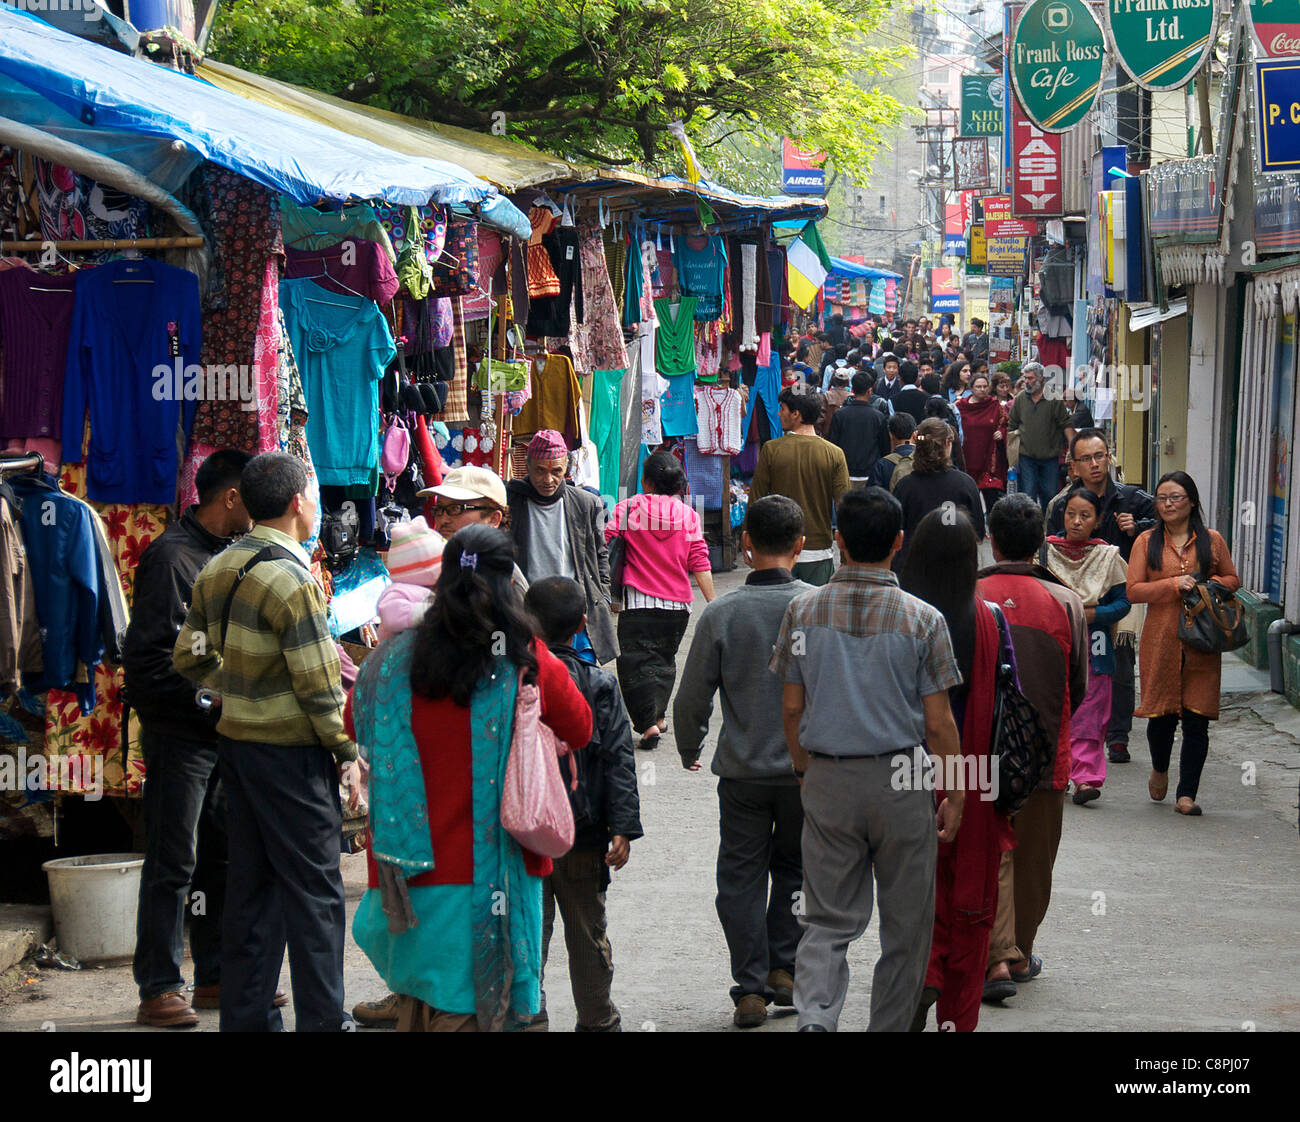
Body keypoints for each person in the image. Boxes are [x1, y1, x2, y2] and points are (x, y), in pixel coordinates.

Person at [348, 526, 592, 1032]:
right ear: (508, 583)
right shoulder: (524, 660)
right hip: (493, 878)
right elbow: (580, 728)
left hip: (406, 876)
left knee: (423, 1004)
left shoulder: (390, 660)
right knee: (481, 1014)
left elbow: (355, 721)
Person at [174, 452, 359, 1032]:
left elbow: (188, 655)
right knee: (315, 899)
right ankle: (323, 1023)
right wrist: (349, 754)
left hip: (239, 753)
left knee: (250, 895)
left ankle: (247, 1022)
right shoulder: (293, 579)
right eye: (313, 491)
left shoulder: (219, 565)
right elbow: (319, 685)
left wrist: (231, 689)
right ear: (298, 503)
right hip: (292, 759)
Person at [771, 487, 965, 1032]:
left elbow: (791, 708)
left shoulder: (802, 610)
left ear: (837, 541)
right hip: (903, 779)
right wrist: (956, 793)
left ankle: (815, 1019)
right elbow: (939, 723)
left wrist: (807, 769)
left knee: (826, 920)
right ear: (899, 543)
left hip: (829, 774)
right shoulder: (924, 620)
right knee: (906, 927)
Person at [126, 449, 257, 1028]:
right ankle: (158, 985)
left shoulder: (229, 556)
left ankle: (214, 976)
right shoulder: (171, 559)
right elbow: (150, 664)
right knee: (173, 861)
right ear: (231, 497)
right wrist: (212, 700)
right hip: (182, 738)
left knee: (221, 858)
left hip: (224, 735)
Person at [674, 495, 811, 1029]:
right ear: (801, 547)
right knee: (797, 872)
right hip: (805, 773)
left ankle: (749, 987)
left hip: (742, 773)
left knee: (740, 877)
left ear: (746, 544)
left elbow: (691, 698)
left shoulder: (722, 614)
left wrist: (690, 745)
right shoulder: (817, 607)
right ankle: (786, 969)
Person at [901, 508, 1014, 1032]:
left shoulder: (904, 621)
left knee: (914, 892)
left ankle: (923, 968)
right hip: (977, 777)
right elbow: (1013, 697)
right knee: (972, 902)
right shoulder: (991, 619)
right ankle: (957, 1015)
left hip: (909, 772)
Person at [976, 495, 1087, 1002]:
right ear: (1041, 540)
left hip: (974, 753)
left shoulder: (967, 595)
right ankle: (1018, 950)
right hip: (1045, 752)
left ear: (990, 538)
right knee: (1034, 858)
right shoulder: (1066, 601)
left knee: (981, 850)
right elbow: (1077, 684)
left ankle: (990, 954)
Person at [524, 577, 642, 1032]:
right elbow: (618, 759)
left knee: (528, 936)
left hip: (524, 833)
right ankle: (598, 1020)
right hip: (582, 831)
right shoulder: (598, 684)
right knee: (588, 932)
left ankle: (529, 1019)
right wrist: (622, 826)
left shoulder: (512, 678)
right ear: (581, 624)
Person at [1127, 472, 1240, 816]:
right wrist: (1173, 584)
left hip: (1202, 641)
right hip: (1161, 641)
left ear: (1191, 501)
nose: (1168, 504)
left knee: (1197, 720)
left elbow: (1234, 579)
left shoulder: (1213, 541)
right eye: (1161, 498)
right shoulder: (1147, 542)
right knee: (1160, 718)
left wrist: (1209, 584)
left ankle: (1186, 794)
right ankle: (1160, 767)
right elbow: (1133, 590)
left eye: (1175, 497)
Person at [1045, 429, 1156, 764]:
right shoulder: (1061, 504)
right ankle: (1076, 732)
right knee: (1075, 667)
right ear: (1074, 466)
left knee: (1120, 662)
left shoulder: (1133, 499)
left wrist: (1138, 526)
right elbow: (1052, 547)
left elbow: (1168, 526)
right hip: (1074, 599)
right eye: (1086, 459)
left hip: (1120, 595)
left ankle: (1118, 736)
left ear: (1109, 457)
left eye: (1100, 455)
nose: (1095, 464)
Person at [604, 451, 716, 750]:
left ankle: (647, 723)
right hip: (678, 606)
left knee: (634, 664)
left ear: (647, 482)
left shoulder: (629, 508)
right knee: (664, 660)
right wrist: (713, 601)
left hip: (638, 603)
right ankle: (659, 715)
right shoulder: (690, 515)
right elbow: (699, 560)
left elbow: (606, 541)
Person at [1042, 487, 1130, 806]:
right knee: (1055, 709)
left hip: (1095, 647)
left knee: (1090, 715)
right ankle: (1057, 773)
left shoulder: (1107, 556)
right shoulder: (1045, 552)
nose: (1077, 522)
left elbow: (1123, 603)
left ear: (1098, 520)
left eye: (1085, 516)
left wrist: (1092, 614)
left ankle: (1085, 779)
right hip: (1054, 646)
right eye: (1071, 514)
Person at [506, 429, 617, 665]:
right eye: (540, 470)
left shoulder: (586, 503)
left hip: (573, 612)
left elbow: (600, 553)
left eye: (556, 471)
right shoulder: (510, 501)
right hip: (529, 613)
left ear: (566, 467)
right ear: (527, 465)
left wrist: (604, 596)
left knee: (581, 685)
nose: (548, 480)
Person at [750, 387, 850, 586]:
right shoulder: (834, 453)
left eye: (782, 408)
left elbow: (756, 499)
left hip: (778, 553)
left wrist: (750, 541)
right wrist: (846, 556)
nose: (779, 413)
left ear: (796, 414)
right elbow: (845, 508)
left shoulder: (771, 450)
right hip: (819, 552)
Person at [891, 417, 985, 573]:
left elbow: (895, 533)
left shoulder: (905, 486)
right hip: (955, 570)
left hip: (913, 571)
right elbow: (978, 533)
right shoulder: (965, 484)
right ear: (948, 443)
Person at [1007, 361, 1070, 512]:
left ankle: (1049, 530)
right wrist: (1012, 455)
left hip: (1049, 458)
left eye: (1030, 378)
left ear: (1041, 378)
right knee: (1028, 495)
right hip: (1026, 457)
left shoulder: (1054, 398)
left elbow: (1065, 424)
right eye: (1025, 378)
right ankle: (1029, 529)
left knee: (1050, 495)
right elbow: (1012, 425)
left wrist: (1072, 450)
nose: (1027, 382)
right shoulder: (1021, 398)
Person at [827, 371, 891, 488]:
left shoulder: (840, 415)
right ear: (869, 391)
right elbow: (885, 448)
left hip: (844, 472)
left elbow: (832, 444)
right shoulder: (878, 417)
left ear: (852, 389)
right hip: (870, 474)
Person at [956, 374, 1009, 509]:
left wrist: (1001, 433)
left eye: (985, 386)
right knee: (968, 503)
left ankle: (992, 529)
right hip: (967, 458)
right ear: (971, 388)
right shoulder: (960, 407)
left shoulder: (995, 406)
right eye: (978, 387)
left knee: (992, 501)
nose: (982, 389)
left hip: (988, 461)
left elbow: (1006, 424)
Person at [872, 412, 918, 491]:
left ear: (890, 435)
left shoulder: (882, 464)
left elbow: (874, 495)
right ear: (915, 434)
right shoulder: (925, 460)